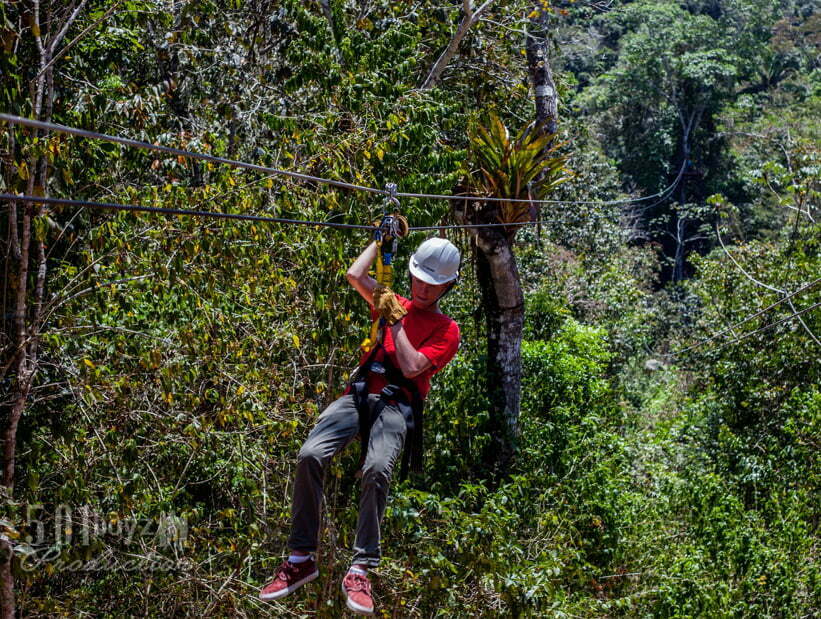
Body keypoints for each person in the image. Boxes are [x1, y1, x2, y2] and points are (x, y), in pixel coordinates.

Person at [259, 237, 461, 615]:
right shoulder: (392, 301)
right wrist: (379, 240)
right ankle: (301, 557)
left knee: (377, 469)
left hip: (395, 405)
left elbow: (412, 366)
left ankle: (361, 567)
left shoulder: (447, 329)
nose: (421, 288)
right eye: (417, 279)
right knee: (310, 455)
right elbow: (355, 274)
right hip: (358, 393)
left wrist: (395, 321)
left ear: (447, 287)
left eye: (431, 285)